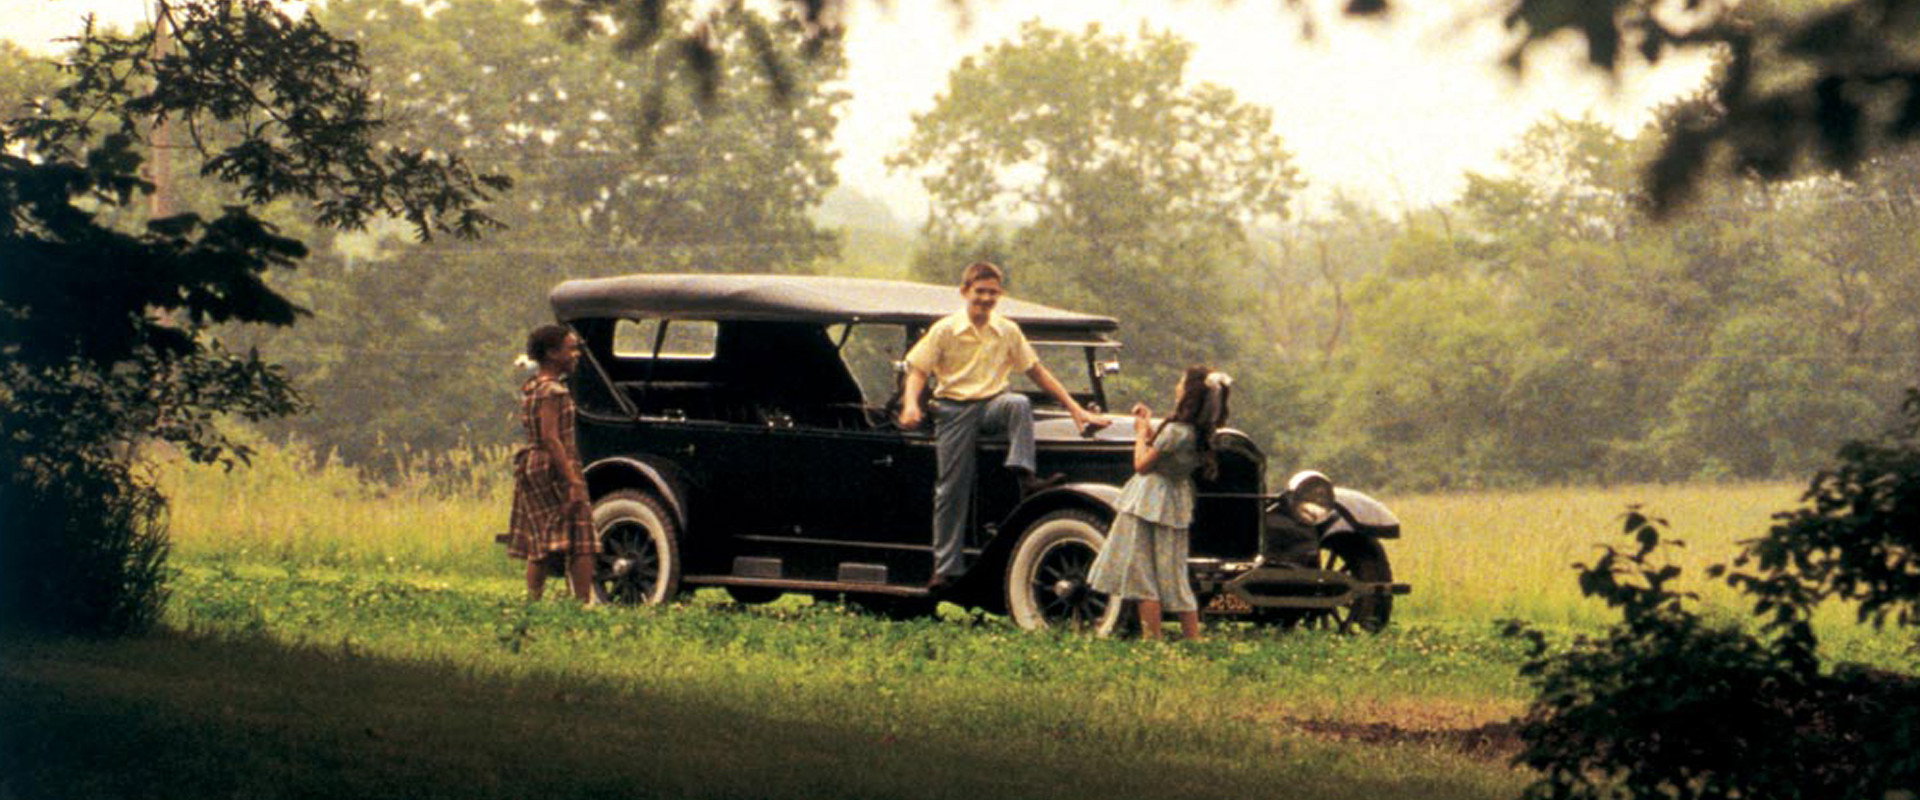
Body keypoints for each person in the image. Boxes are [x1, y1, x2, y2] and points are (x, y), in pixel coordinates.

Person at [899, 261, 1110, 590]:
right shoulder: (944, 329)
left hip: (993, 405)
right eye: (980, 291)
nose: (986, 298)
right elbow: (918, 371)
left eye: (992, 293)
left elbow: (1036, 371)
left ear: (1001, 295)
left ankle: (1026, 477)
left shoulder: (1008, 330)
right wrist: (911, 404)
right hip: (954, 408)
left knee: (1019, 403)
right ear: (965, 292)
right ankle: (945, 568)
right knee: (952, 488)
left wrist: (1075, 410)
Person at [1086, 366, 1232, 641]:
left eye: (1181, 382)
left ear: (1189, 393)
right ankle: (1193, 639)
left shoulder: (1175, 431)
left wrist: (1140, 433)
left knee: (1142, 574)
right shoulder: (1200, 433)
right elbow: (1167, 452)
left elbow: (1142, 465)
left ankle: (1152, 639)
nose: (1177, 386)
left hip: (1147, 501)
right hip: (1175, 502)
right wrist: (1150, 423)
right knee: (1173, 574)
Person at [506, 324, 599, 604]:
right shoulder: (553, 391)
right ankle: (580, 603)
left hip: (533, 463)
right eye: (570, 349)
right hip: (553, 464)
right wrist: (571, 479)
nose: (575, 355)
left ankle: (533, 601)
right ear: (551, 353)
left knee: (541, 539)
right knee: (582, 538)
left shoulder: (533, 386)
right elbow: (551, 437)